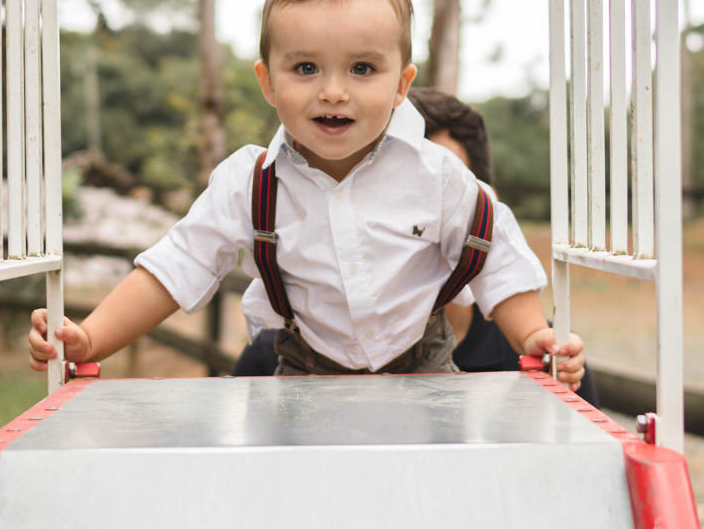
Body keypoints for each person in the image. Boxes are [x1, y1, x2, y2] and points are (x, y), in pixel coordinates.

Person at [29, 0, 585, 387]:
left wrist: (533, 333)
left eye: (362, 68)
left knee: (426, 490)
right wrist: (92, 337)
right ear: (268, 82)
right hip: (306, 370)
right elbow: (176, 266)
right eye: (306, 67)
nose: (333, 91)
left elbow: (498, 259)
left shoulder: (438, 177)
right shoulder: (251, 184)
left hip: (425, 368)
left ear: (401, 85)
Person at [231, 86, 599, 406]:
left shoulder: (541, 353)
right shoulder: (275, 352)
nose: (428, 208)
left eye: (441, 191)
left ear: (482, 203)